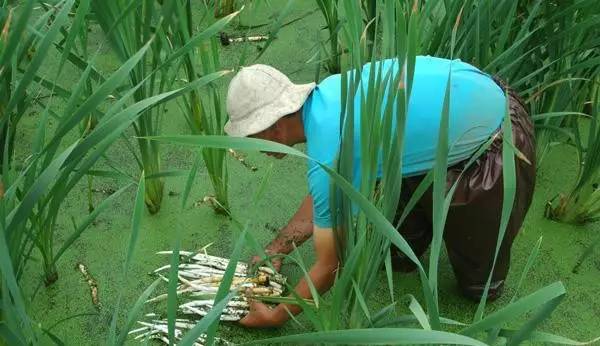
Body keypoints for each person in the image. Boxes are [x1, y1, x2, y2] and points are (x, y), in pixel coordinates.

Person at [224, 56, 536, 328]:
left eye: (253, 136)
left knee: (479, 288)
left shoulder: (330, 149)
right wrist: (276, 249)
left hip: (494, 138)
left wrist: (277, 315)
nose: (256, 148)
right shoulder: (328, 97)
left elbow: (330, 263)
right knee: (397, 253)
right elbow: (326, 202)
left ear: (273, 126)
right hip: (454, 111)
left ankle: (481, 276)